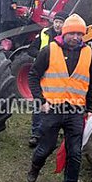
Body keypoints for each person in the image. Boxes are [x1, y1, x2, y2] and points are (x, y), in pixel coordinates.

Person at [26, 13, 92, 182]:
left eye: (80, 34)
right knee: (46, 147)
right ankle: (35, 167)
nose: (76, 37)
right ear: (64, 33)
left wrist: (90, 108)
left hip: (76, 111)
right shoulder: (49, 50)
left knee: (74, 152)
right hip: (52, 109)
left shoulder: (89, 53)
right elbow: (33, 75)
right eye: (73, 33)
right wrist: (41, 100)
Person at [27, 11, 68, 147]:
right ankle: (35, 134)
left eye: (61, 22)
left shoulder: (68, 37)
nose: (58, 24)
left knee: (56, 106)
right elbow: (31, 49)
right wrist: (43, 56)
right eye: (56, 21)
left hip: (58, 77)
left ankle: (52, 134)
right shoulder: (44, 33)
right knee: (39, 103)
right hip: (42, 73)